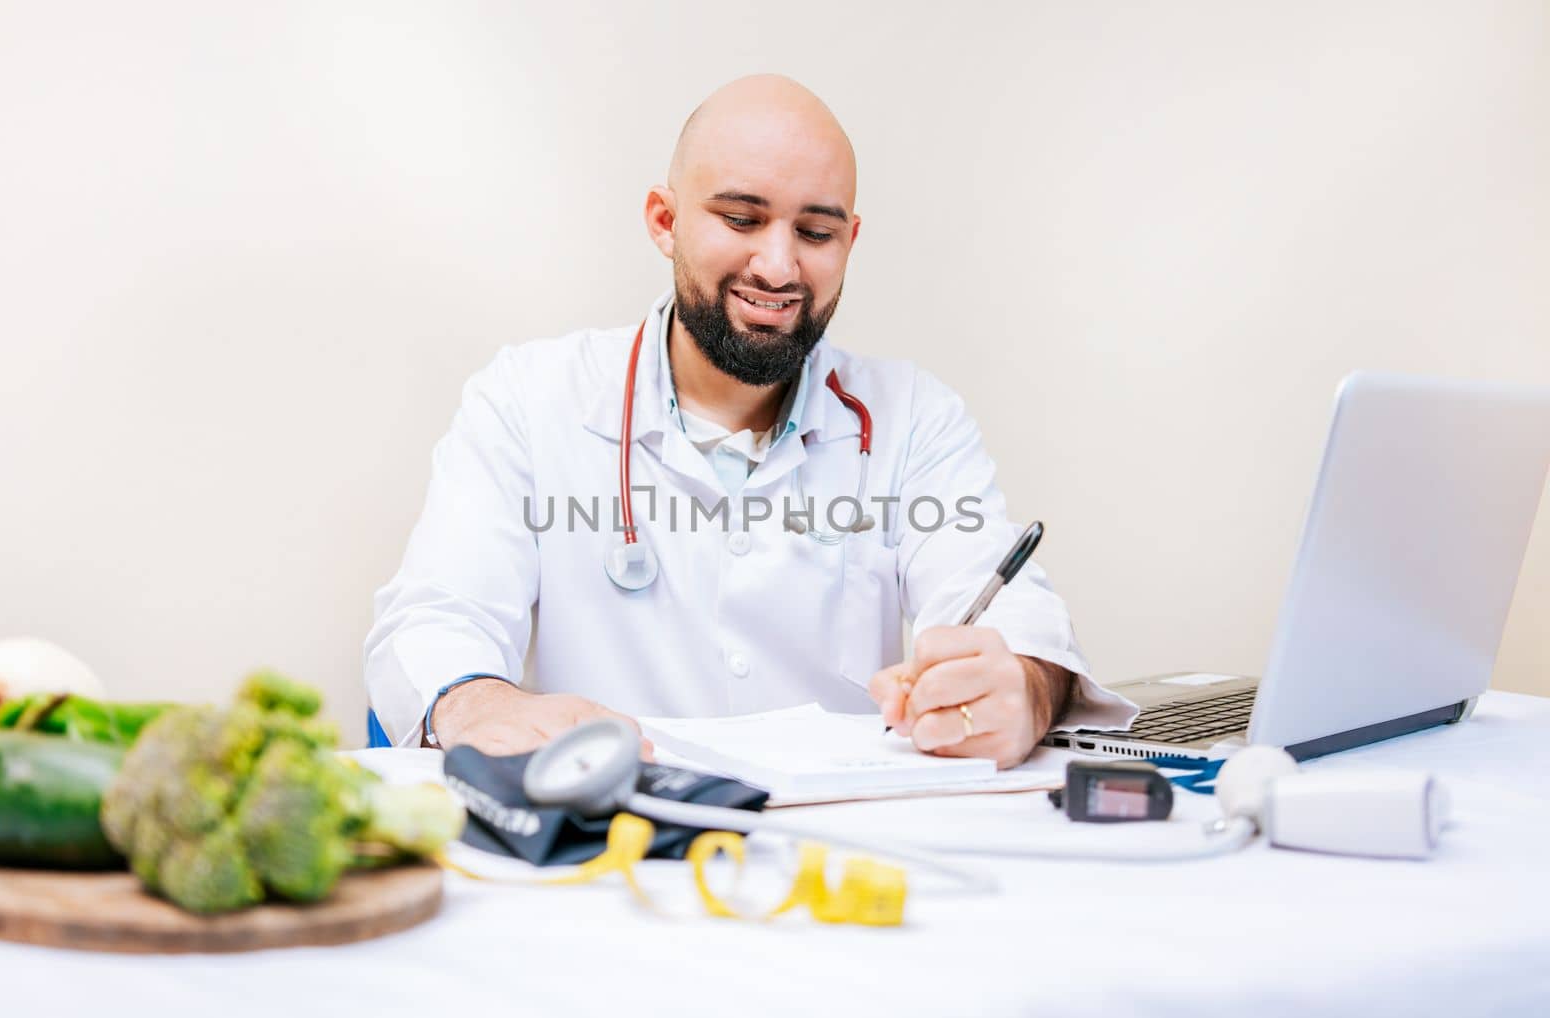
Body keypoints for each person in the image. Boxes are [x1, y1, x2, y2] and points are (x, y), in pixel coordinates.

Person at [364, 74, 1132, 765]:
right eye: (741, 218)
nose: (778, 266)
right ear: (664, 221)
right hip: (619, 843)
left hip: (840, 854)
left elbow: (1013, 613)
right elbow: (436, 615)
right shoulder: (528, 399)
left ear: (850, 240)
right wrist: (474, 699)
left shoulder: (913, 419)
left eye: (816, 232)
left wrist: (1025, 689)